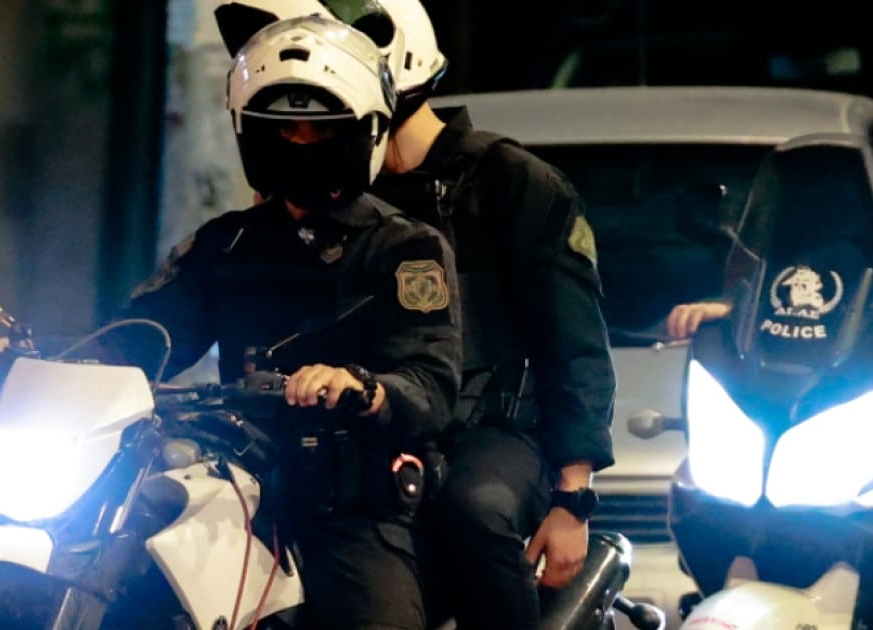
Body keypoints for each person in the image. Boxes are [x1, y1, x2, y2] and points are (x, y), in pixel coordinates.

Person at [0, 16, 461, 629]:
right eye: (283, 129)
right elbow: (139, 339)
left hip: (349, 505)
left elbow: (429, 381)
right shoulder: (226, 244)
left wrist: (361, 386)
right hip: (235, 478)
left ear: (362, 132)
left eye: (319, 129)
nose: (300, 143)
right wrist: (21, 356)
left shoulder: (404, 248)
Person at [212, 2, 617, 628]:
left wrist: (573, 498)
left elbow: (574, 345)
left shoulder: (512, 181)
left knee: (474, 510)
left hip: (486, 432)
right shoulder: (327, 189)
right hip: (361, 429)